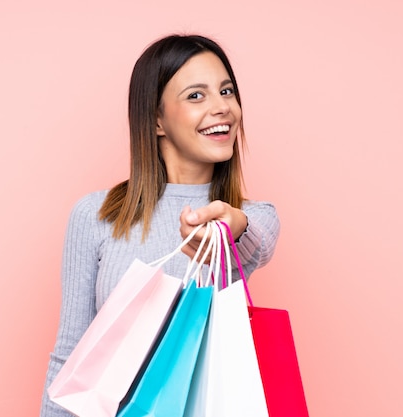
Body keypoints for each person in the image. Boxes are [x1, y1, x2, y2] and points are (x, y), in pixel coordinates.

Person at [40, 34, 281, 417]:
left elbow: (255, 239)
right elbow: (70, 354)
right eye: (196, 96)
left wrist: (232, 227)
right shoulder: (97, 216)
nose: (222, 108)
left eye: (226, 91)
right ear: (156, 120)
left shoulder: (254, 216)